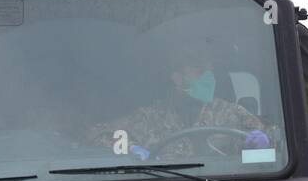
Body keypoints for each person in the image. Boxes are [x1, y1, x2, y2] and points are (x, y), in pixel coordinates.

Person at [85, 59, 267, 160]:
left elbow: (271, 140)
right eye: (199, 68)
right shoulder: (150, 117)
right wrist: (133, 149)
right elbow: (97, 133)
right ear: (177, 78)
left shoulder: (230, 112)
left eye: (211, 70)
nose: (209, 76)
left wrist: (262, 142)